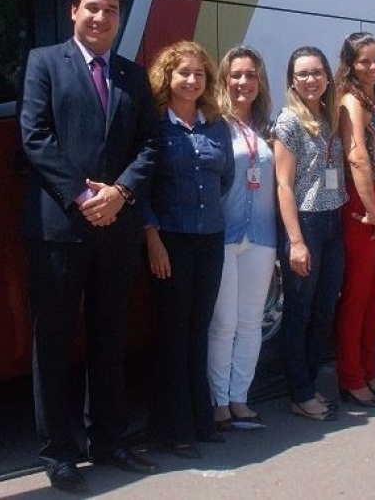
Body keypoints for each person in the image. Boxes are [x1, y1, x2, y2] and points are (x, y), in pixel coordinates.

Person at [19, 0, 159, 492]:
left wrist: (119, 194)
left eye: (111, 11)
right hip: (58, 229)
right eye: (93, 8)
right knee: (53, 341)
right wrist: (83, 197)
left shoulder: (132, 75)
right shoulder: (43, 64)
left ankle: (110, 440)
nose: (101, 18)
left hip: (115, 229)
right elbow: (35, 138)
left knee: (109, 337)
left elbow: (150, 147)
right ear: (74, 12)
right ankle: (59, 452)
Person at [142, 40, 235, 459]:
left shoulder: (216, 126)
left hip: (209, 239)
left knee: (199, 331)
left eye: (199, 74)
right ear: (168, 76)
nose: (192, 80)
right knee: (173, 334)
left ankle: (202, 419)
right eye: (184, 73)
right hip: (170, 242)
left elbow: (225, 179)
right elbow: (139, 188)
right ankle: (173, 428)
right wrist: (152, 237)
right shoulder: (154, 126)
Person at [273, 46, 346, 422]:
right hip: (305, 224)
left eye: (317, 72)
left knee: (324, 310)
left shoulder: (329, 117)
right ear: (292, 81)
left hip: (333, 221)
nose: (311, 79)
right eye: (303, 74)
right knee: (299, 313)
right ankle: (300, 393)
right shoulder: (288, 122)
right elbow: (284, 186)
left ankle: (309, 382)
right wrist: (296, 242)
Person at [208, 46, 276, 432]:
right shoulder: (214, 123)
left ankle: (240, 399)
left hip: (262, 237)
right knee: (223, 323)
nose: (243, 82)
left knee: (251, 322)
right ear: (224, 79)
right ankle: (218, 401)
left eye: (250, 75)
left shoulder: (269, 126)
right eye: (236, 75)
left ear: (259, 81)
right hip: (224, 236)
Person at [334, 32, 375, 408]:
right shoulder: (351, 101)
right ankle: (350, 377)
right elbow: (357, 156)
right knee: (356, 295)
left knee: (374, 294)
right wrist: (372, 209)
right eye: (364, 61)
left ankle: (370, 369)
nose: (372, 67)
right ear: (350, 64)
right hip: (363, 206)